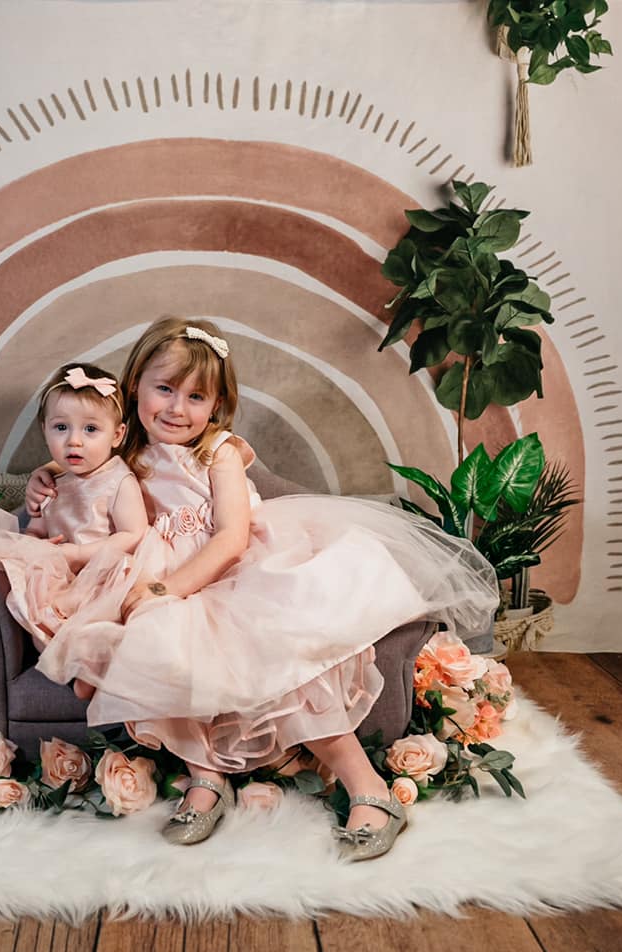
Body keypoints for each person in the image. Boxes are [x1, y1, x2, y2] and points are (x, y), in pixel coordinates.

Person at [25, 318, 499, 858]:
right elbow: (79, 448)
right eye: (164, 390)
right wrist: (45, 474)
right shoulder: (123, 446)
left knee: (286, 661)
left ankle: (368, 789)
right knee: (158, 645)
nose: (177, 409)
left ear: (217, 404)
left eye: (196, 396)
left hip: (233, 569)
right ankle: (207, 781)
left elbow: (230, 538)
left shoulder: (217, 451)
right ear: (135, 388)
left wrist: (167, 589)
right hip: (165, 580)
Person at [0, 364, 147, 700]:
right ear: (44, 430)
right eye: (61, 427)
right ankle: (76, 665)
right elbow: (37, 527)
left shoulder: (119, 480)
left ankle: (94, 665)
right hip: (61, 571)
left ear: (118, 435)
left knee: (96, 615)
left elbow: (134, 533)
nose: (74, 441)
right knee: (37, 619)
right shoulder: (52, 484)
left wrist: (78, 555)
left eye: (91, 429)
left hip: (102, 570)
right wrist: (36, 542)